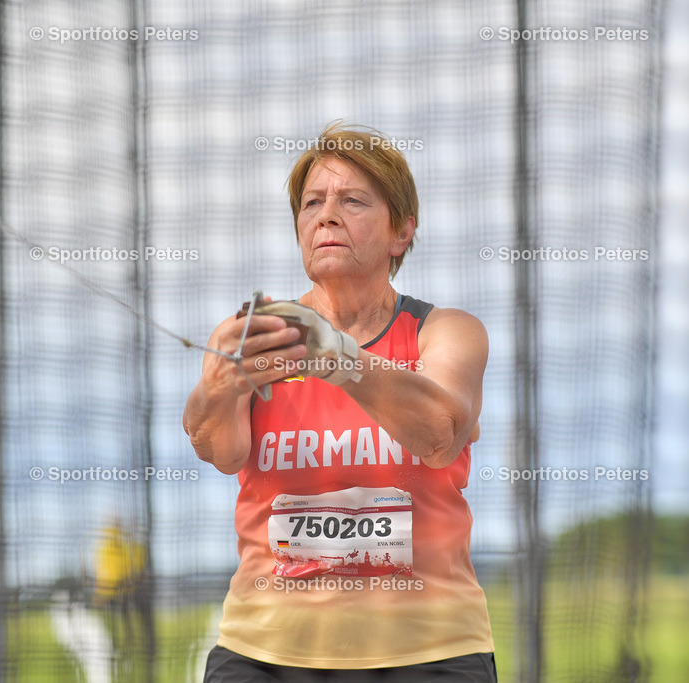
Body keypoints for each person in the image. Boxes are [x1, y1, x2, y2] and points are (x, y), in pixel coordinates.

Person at [184, 122, 495, 681]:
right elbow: (219, 449)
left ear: (402, 232)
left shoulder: (445, 331)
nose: (326, 215)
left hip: (430, 651)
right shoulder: (256, 334)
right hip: (267, 653)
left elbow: (439, 434)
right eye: (312, 203)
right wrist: (215, 386)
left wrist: (335, 357)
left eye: (352, 201)